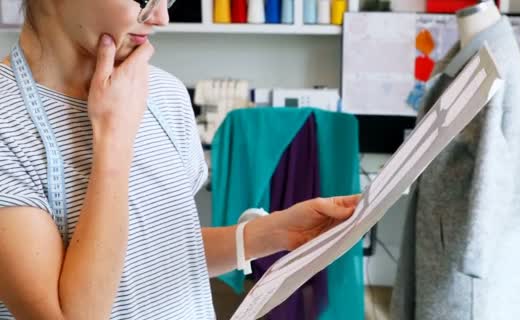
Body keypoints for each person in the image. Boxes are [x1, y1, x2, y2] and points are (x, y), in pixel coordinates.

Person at [0, 0, 360, 319]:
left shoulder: (163, 94)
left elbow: (156, 249)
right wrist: (113, 140)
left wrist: (267, 235)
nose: (162, 17)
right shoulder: (7, 119)